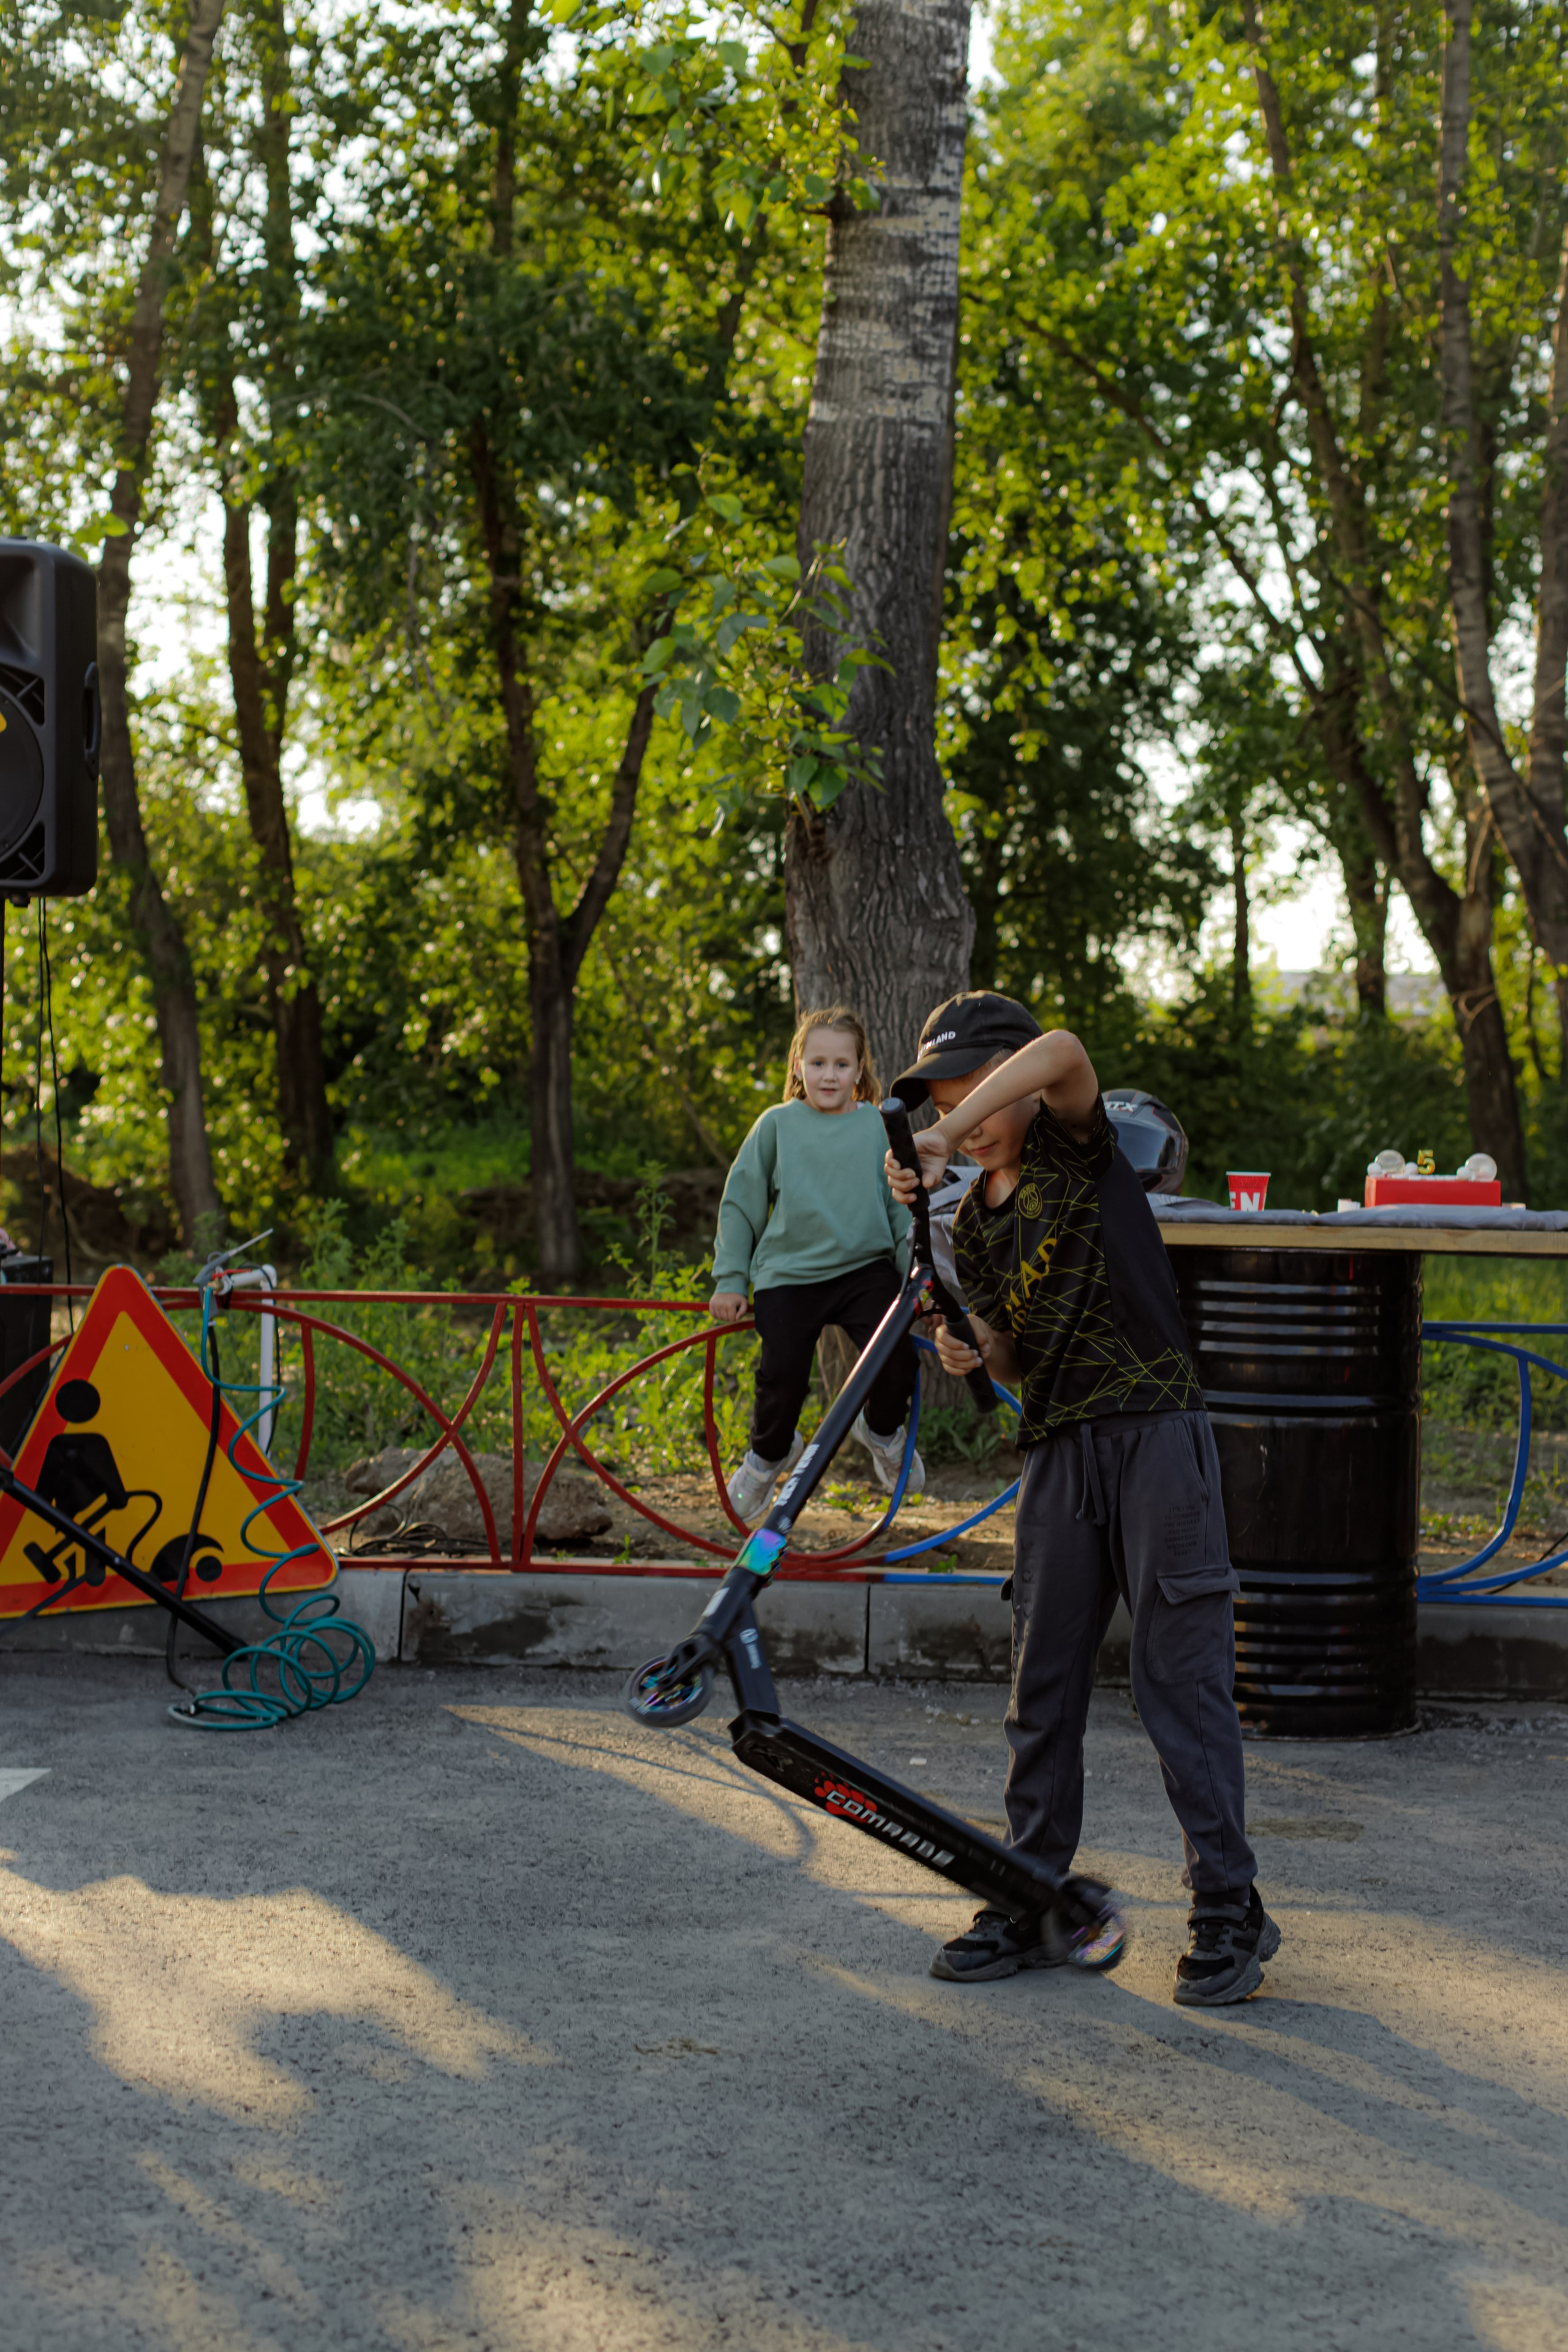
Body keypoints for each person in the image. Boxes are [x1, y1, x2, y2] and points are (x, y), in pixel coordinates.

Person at [885, 990, 1278, 2009]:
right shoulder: (973, 1223)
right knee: (1042, 1685)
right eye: (939, 1093)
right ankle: (1029, 1897)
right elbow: (1017, 1361)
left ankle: (1230, 1906)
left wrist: (938, 1133)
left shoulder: (1080, 1150)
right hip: (1061, 1451)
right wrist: (977, 1350)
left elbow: (1061, 1047)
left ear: (1010, 1077)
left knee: (1176, 1680)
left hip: (1155, 1435)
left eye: (969, 1084)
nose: (957, 1109)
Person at [710, 1006, 924, 1525]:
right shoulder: (778, 1124)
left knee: (897, 1358)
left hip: (865, 1269)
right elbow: (742, 1201)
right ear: (799, 1065)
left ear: (860, 1068)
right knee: (781, 1376)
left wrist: (917, 1280)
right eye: (818, 1062)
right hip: (789, 1272)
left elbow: (903, 1208)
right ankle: (767, 1457)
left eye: (842, 1065)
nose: (830, 1075)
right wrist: (732, 1278)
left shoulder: (877, 1125)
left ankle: (881, 1433)